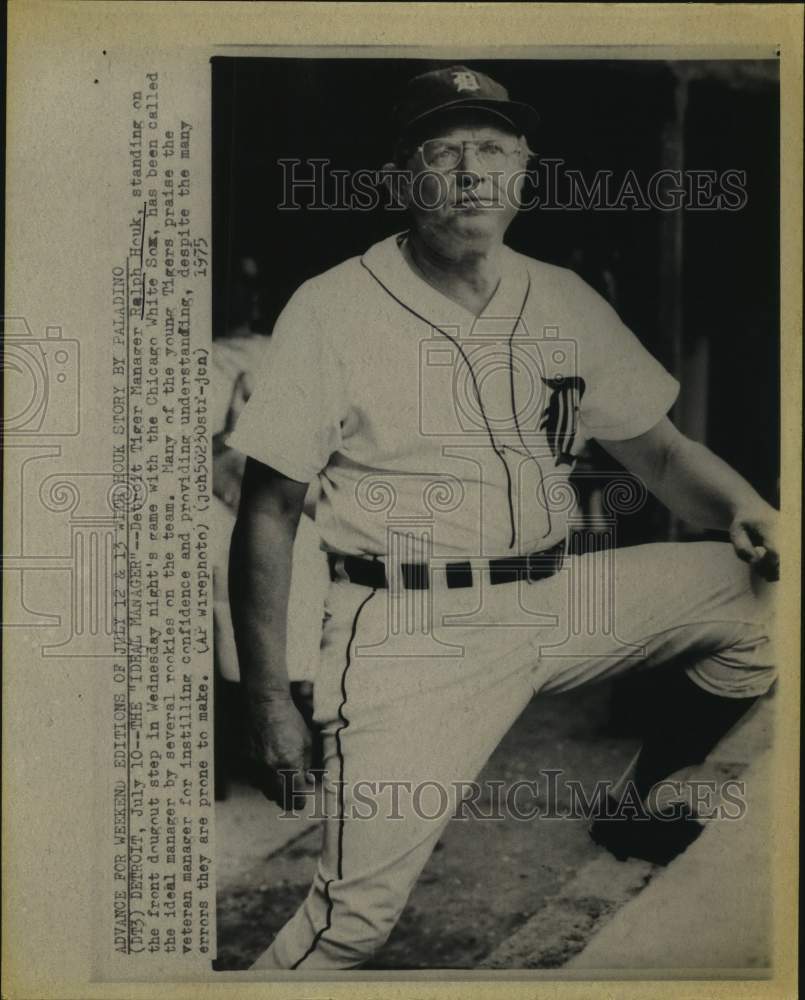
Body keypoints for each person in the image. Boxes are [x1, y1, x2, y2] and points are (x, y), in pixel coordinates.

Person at [227, 65, 779, 970]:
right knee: (348, 928)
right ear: (405, 179)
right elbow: (269, 508)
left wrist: (752, 510)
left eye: (492, 149)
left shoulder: (559, 295)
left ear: (523, 173)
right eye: (444, 152)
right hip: (411, 628)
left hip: (551, 598)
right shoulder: (332, 308)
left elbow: (664, 456)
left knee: (763, 603)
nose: (471, 172)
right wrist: (266, 699)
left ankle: (640, 802)